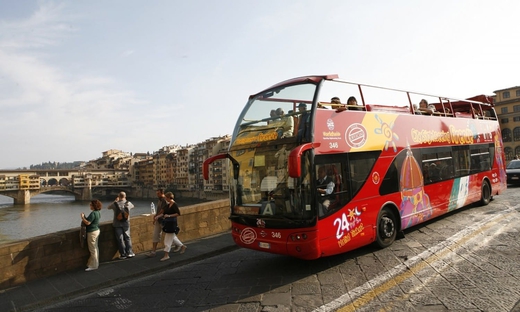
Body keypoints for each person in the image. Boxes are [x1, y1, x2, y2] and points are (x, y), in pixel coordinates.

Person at [155, 192, 187, 261]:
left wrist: (169, 216)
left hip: (172, 223)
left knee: (167, 240)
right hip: (168, 223)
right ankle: (182, 246)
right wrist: (158, 216)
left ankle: (166, 255)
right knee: (173, 238)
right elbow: (164, 213)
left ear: (169, 198)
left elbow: (178, 213)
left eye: (166, 198)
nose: (165, 199)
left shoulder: (174, 204)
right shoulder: (168, 204)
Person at [107, 191, 135, 259]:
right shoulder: (128, 203)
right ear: (125, 196)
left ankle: (123, 254)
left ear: (118, 196)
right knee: (128, 237)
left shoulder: (115, 204)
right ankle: (130, 253)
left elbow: (108, 207)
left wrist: (115, 201)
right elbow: (133, 206)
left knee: (120, 239)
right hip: (126, 223)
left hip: (117, 224)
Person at [81, 199, 102, 272]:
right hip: (96, 230)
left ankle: (94, 265)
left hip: (92, 232)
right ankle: (93, 263)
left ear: (94, 206)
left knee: (92, 249)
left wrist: (82, 217)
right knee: (95, 248)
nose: (89, 206)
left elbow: (88, 223)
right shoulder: (98, 213)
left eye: (90, 205)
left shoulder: (93, 213)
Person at [146, 188, 168, 257]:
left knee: (170, 235)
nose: (157, 195)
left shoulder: (164, 200)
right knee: (155, 235)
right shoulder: (159, 200)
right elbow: (159, 210)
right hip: (158, 220)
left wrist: (157, 216)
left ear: (162, 193)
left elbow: (163, 210)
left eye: (158, 193)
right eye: (157, 194)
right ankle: (153, 251)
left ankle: (179, 245)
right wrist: (156, 216)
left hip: (163, 220)